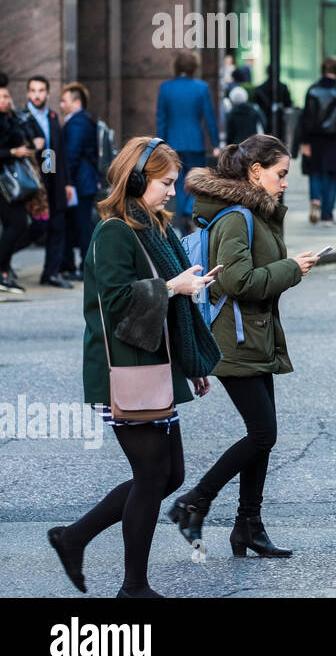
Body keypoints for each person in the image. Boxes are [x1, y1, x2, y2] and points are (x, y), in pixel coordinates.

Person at [48, 137, 221, 597]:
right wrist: (173, 287)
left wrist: (190, 359)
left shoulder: (156, 228)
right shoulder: (114, 232)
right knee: (151, 477)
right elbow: (116, 303)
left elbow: (167, 303)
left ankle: (73, 537)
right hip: (126, 371)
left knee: (172, 475)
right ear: (138, 179)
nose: (172, 192)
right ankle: (133, 587)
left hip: (156, 366)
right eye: (165, 183)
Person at [168, 135, 321, 559]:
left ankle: (248, 528)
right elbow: (237, 282)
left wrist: (288, 268)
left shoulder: (256, 213)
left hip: (254, 335)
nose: (286, 183)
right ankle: (194, 501)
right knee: (262, 433)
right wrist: (292, 269)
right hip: (234, 339)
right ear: (256, 172)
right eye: (281, 174)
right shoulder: (237, 217)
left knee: (263, 435)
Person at [156, 51, 221, 234]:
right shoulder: (201, 88)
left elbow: (161, 119)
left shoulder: (166, 88)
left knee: (177, 182)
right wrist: (215, 144)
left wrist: (160, 144)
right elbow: (210, 118)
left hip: (172, 143)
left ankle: (183, 220)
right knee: (196, 181)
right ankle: (187, 211)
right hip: (195, 143)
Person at [18, 75, 73, 288]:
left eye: (41, 91)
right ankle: (4, 260)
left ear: (47, 94)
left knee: (58, 226)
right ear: (27, 93)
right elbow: (16, 145)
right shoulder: (22, 117)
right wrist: (33, 145)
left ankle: (51, 273)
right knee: (36, 227)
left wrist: (68, 183)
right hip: (33, 181)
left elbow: (61, 151)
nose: (37, 95)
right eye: (33, 91)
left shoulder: (51, 116)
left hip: (55, 178)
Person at [292, 57, 336, 227]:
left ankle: (315, 198)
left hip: (314, 139)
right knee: (331, 175)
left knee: (315, 172)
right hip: (334, 139)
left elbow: (305, 118)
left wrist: (304, 142)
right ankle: (327, 214)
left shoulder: (313, 90)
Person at [0, 82, 39, 293]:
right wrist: (13, 152)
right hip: (3, 184)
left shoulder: (12, 119)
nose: (5, 101)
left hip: (13, 182)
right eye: (1, 97)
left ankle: (5, 272)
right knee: (17, 224)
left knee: (14, 226)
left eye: (7, 97)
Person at [59, 82, 99, 279]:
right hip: (84, 181)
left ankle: (86, 268)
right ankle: (81, 266)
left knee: (83, 226)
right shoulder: (81, 120)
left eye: (64, 100)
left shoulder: (78, 122)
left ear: (76, 101)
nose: (61, 104)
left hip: (80, 183)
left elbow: (72, 154)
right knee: (81, 225)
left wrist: (67, 181)